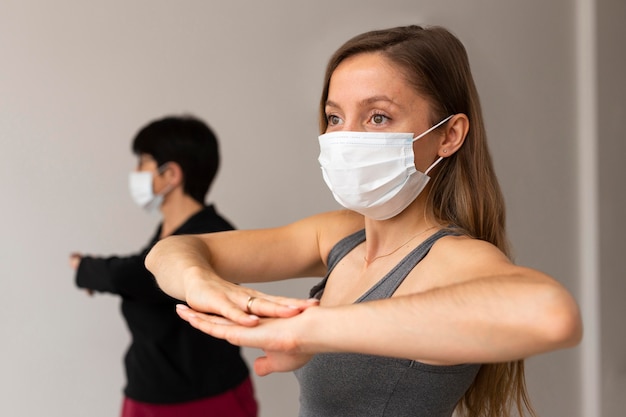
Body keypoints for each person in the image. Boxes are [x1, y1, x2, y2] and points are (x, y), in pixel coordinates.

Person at [145, 26, 582, 417]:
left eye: (378, 117)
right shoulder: (338, 235)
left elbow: (552, 315)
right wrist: (199, 281)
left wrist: (311, 330)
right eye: (335, 117)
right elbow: (170, 252)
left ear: (448, 136)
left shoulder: (451, 258)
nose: (346, 137)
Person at [69, 115, 258, 417]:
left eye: (143, 162)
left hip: (203, 403)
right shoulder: (167, 231)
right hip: (146, 395)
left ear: (171, 174)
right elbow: (138, 276)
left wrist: (85, 267)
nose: (136, 172)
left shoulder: (213, 233)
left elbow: (139, 276)